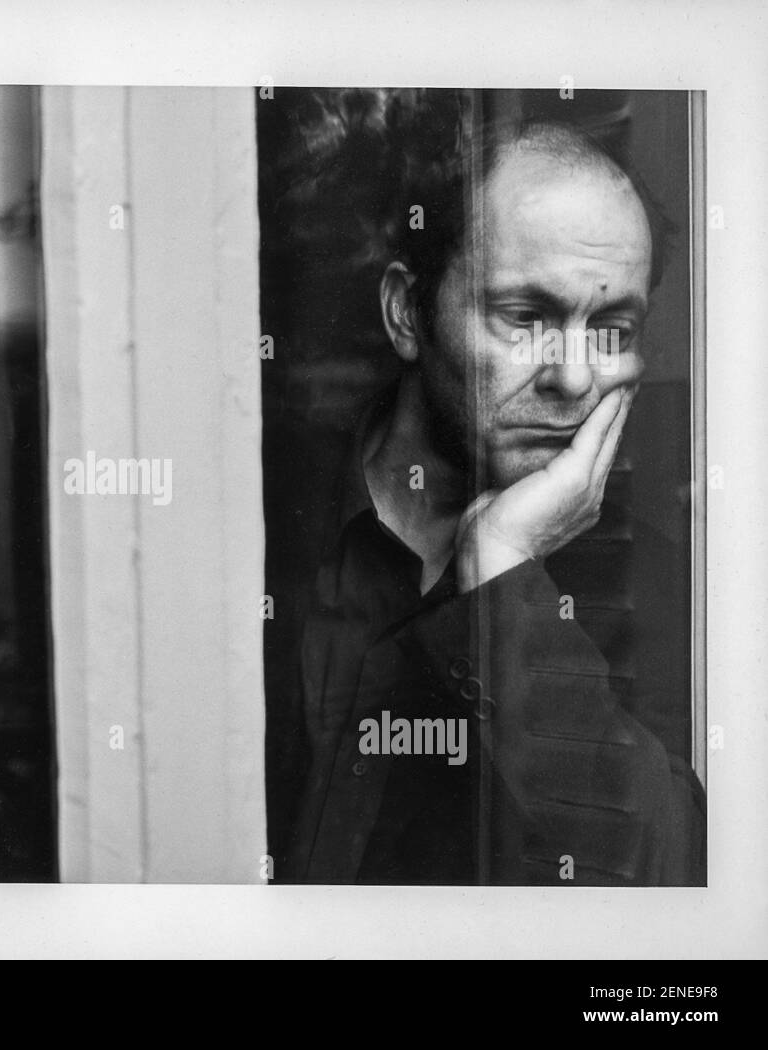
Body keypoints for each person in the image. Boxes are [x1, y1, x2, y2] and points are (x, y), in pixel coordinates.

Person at [267, 100, 706, 885]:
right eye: (525, 315)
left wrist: (504, 573)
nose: (574, 376)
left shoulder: (658, 582)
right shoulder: (261, 523)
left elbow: (662, 874)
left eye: (612, 330)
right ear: (408, 313)